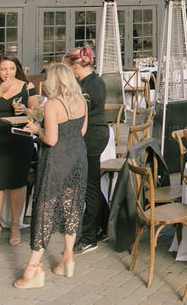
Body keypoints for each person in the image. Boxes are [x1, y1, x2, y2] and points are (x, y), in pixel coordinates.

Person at [15, 63, 89, 289]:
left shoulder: (53, 105)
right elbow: (82, 131)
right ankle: (68, 259)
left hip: (57, 159)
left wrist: (37, 130)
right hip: (78, 156)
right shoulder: (82, 100)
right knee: (71, 207)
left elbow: (51, 140)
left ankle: (32, 269)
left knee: (45, 208)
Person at [0, 54, 40, 249]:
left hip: (19, 139)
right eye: (4, 69)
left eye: (11, 69)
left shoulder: (27, 87)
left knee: (17, 184)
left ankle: (14, 226)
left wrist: (24, 109)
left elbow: (38, 114)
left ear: (17, 69)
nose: (8, 73)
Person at [64, 45, 108, 252]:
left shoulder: (85, 87)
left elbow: (79, 115)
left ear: (75, 67)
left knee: (88, 187)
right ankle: (106, 224)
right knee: (92, 184)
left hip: (91, 136)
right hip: (98, 133)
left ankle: (89, 237)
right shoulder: (96, 80)